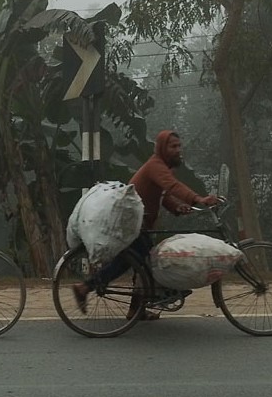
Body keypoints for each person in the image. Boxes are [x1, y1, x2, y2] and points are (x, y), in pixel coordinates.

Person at [72, 129, 222, 319]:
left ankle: (136, 309)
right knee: (136, 263)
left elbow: (163, 195)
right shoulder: (155, 166)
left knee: (143, 265)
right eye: (173, 146)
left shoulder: (161, 167)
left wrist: (177, 208)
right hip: (134, 225)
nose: (178, 150)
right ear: (161, 148)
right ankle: (86, 287)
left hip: (140, 224)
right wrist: (198, 199)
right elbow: (172, 186)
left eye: (179, 146)